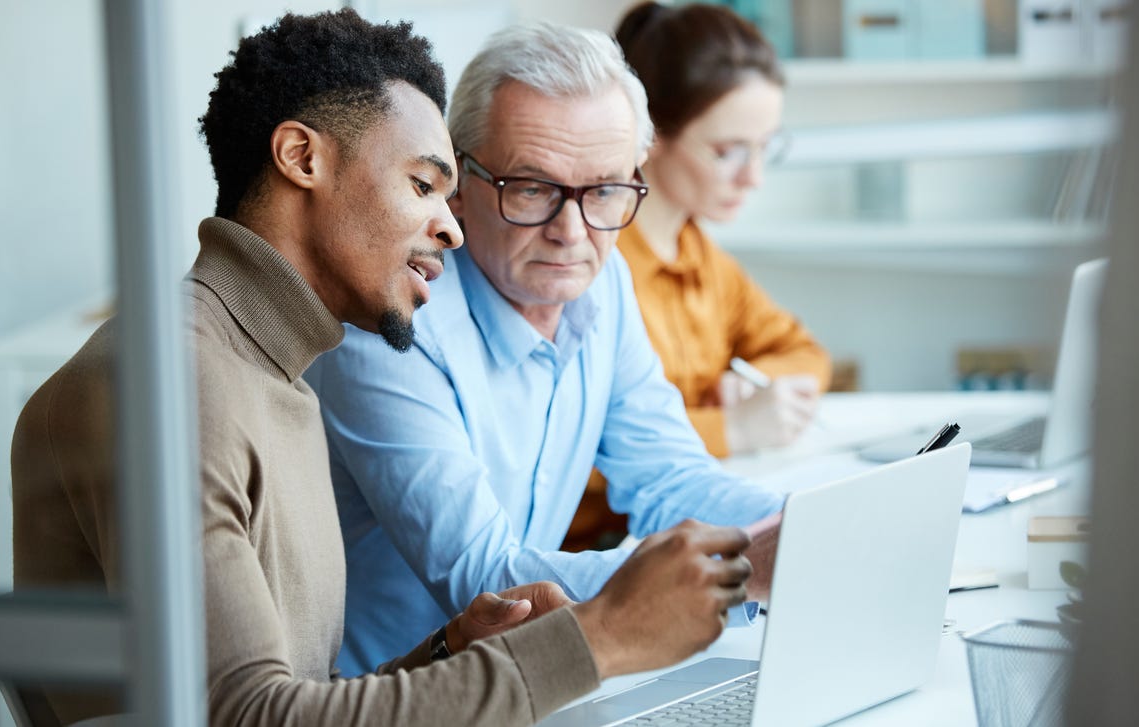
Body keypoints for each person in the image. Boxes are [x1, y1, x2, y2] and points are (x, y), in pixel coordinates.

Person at [9, 11, 753, 726]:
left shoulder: (273, 367)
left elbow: (302, 695)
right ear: (303, 159)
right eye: (424, 185)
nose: (452, 227)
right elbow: (246, 718)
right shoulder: (175, 382)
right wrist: (602, 636)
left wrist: (446, 650)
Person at [305, 21, 785, 676]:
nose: (573, 232)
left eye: (604, 191)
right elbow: (490, 583)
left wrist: (799, 528)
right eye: (532, 189)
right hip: (393, 697)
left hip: (533, 680)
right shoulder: (389, 325)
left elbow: (667, 475)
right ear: (458, 184)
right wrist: (744, 567)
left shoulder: (602, 281)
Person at [565, 1, 834, 551]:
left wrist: (758, 383)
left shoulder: (699, 254)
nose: (754, 177)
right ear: (649, 137)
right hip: (593, 555)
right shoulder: (583, 265)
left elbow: (803, 352)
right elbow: (562, 454)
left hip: (676, 530)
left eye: (765, 148)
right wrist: (731, 429)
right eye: (728, 151)